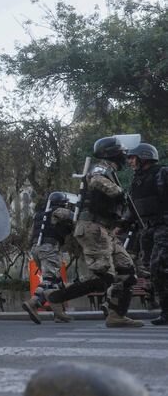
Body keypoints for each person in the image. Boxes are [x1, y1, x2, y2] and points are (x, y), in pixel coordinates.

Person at [46, 136, 143, 328]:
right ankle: (55, 296)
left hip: (105, 229)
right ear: (113, 154)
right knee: (105, 277)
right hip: (92, 228)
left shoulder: (111, 171)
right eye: (122, 153)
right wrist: (118, 192)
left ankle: (116, 315)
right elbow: (96, 180)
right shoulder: (101, 168)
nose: (125, 156)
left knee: (127, 271)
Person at [127, 143, 168, 325]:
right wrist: (121, 225)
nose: (130, 162)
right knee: (152, 270)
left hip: (164, 227)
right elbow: (133, 209)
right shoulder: (136, 181)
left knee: (158, 265)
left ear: (144, 157)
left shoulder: (162, 173)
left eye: (133, 158)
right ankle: (165, 312)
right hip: (146, 230)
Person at [22, 192, 75, 324]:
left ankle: (59, 313)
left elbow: (30, 235)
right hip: (49, 247)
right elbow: (74, 217)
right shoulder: (57, 211)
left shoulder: (39, 215)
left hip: (36, 248)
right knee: (49, 280)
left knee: (57, 282)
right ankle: (34, 302)